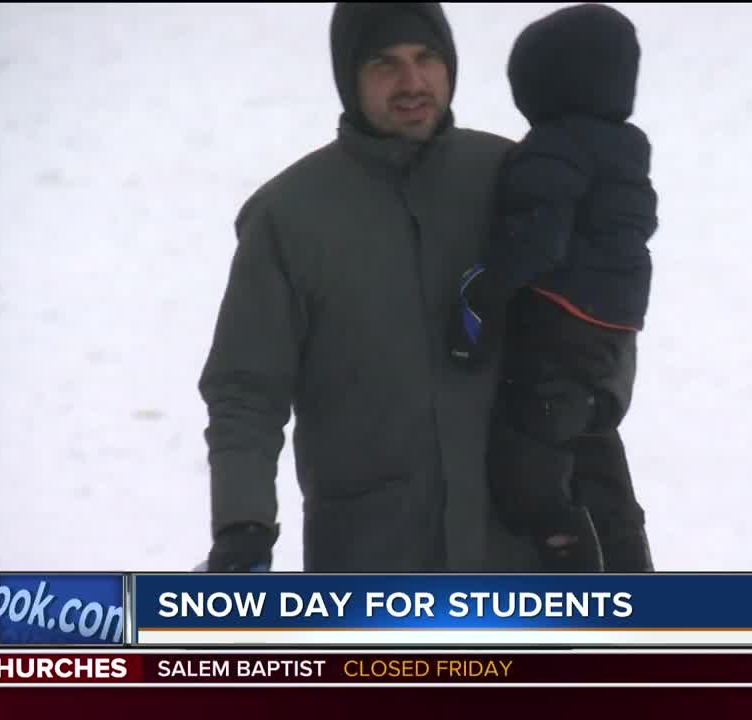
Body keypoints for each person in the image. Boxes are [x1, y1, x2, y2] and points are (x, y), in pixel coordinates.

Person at [197, 2, 547, 573]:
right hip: (368, 559)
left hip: (518, 553)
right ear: (348, 77)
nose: (412, 83)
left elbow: (595, 326)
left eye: (426, 58)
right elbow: (245, 392)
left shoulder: (514, 180)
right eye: (385, 63)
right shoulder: (288, 219)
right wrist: (243, 528)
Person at [448, 3, 657, 572]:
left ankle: (570, 560)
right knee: (592, 438)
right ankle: (629, 561)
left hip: (556, 323)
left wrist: (480, 296)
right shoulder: (626, 151)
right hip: (614, 334)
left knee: (527, 457)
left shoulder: (552, 149)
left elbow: (536, 240)